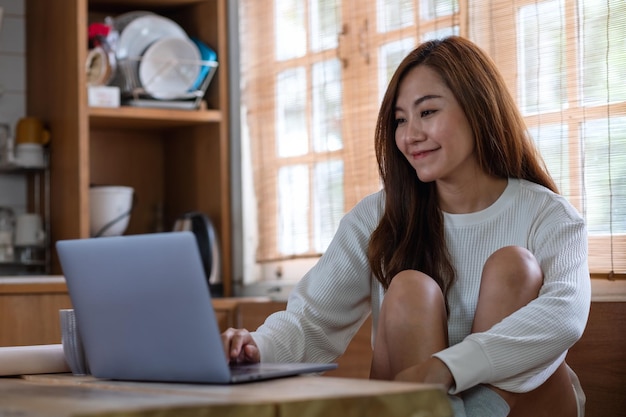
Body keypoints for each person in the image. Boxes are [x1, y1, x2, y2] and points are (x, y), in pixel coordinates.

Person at [222, 36, 590, 417]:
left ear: (478, 108)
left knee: (515, 267)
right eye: (400, 120)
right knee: (410, 287)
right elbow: (312, 320)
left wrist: (448, 368)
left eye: (427, 112)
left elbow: (565, 315)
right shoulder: (378, 215)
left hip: (527, 407)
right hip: (420, 405)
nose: (410, 135)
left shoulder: (548, 213)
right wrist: (254, 347)